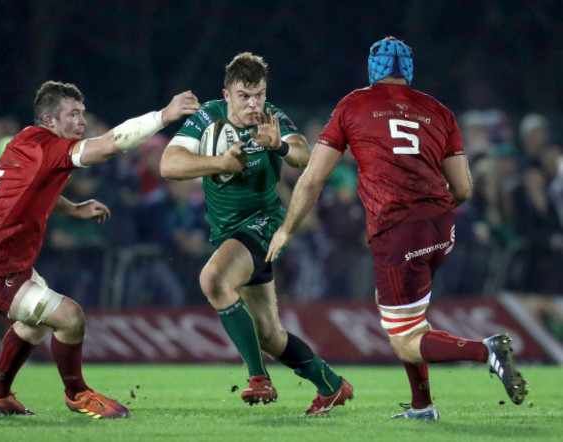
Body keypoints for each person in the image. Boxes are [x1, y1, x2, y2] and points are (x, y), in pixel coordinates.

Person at [266, 37, 528, 420]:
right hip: (442, 228)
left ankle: (485, 351)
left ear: (373, 69)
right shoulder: (439, 110)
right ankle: (422, 406)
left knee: (406, 340)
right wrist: (429, 217)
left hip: (398, 230)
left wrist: (287, 229)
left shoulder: (354, 104)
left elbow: (311, 179)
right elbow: (465, 188)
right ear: (408, 70)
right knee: (399, 312)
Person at [0, 80, 200, 418]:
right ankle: (77, 394)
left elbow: (30, 191)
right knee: (70, 318)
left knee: (37, 324)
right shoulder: (50, 148)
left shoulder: (25, 141)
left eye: (82, 113)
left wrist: (73, 209)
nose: (81, 121)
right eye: (73, 114)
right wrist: (164, 115)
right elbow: (111, 145)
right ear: (50, 122)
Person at [160, 52, 353, 416]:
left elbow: (302, 154)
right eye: (245, 95)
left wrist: (276, 145)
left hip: (264, 225)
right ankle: (331, 385)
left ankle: (258, 378)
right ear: (227, 94)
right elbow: (169, 164)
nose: (254, 104)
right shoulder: (207, 117)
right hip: (228, 234)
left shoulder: (271, 118)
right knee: (269, 334)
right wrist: (220, 163)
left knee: (214, 280)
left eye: (259, 94)